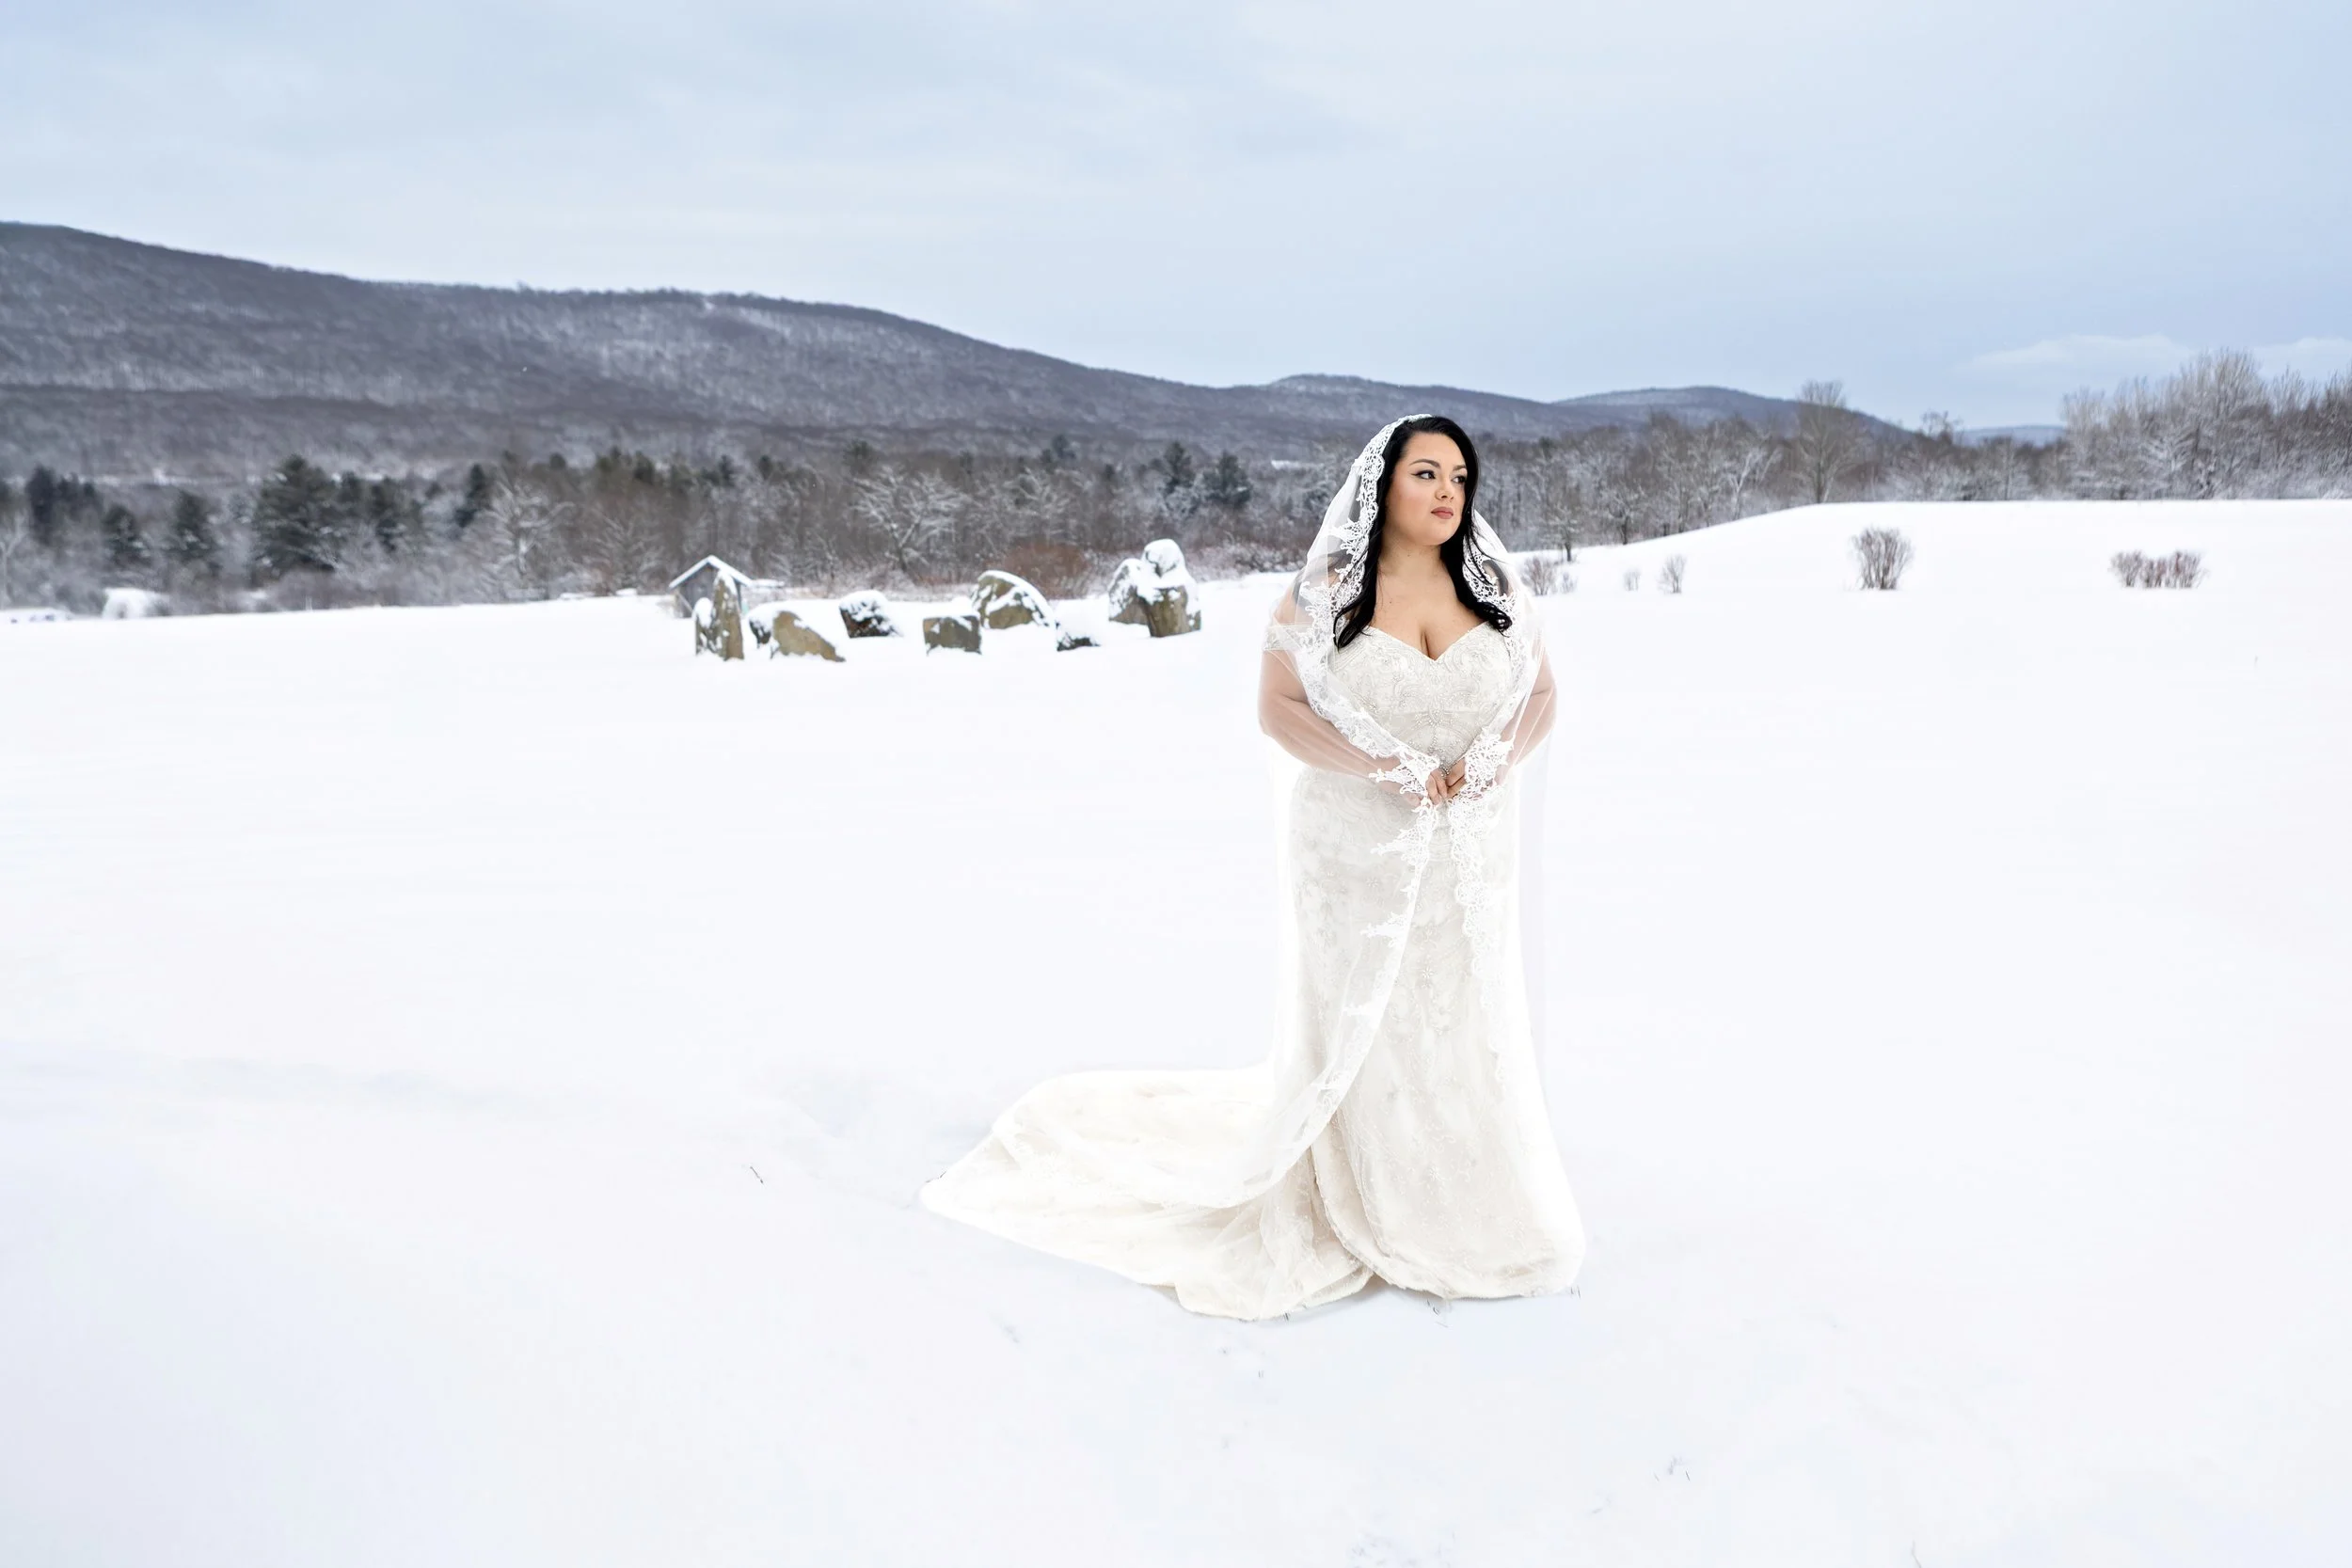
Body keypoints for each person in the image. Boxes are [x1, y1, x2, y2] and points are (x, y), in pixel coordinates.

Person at [919, 415, 1583, 1320]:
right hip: (1353, 850)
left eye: (1460, 477)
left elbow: (1541, 695)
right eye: (1426, 473)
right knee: (1364, 1016)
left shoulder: (1494, 588)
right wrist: (1385, 765)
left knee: (1456, 1010)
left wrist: (1497, 758)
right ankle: (1363, 1184)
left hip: (1467, 852)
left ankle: (1460, 1182)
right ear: (1381, 484)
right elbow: (1279, 712)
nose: (1446, 492)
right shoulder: (1322, 596)